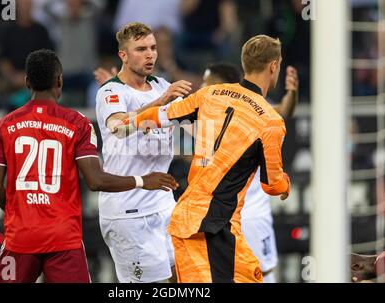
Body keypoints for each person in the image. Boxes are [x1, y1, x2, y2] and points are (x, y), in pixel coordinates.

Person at [0, 49, 178, 283]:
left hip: (20, 237)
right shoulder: (77, 123)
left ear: (27, 82)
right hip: (63, 239)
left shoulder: (3, 126)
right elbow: (96, 180)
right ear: (60, 81)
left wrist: (20, 213)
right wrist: (142, 180)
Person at [117, 35, 291, 282]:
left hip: (187, 219)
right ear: (274, 66)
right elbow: (272, 185)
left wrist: (124, 123)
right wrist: (285, 184)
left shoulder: (209, 94)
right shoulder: (271, 121)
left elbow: (163, 115)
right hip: (217, 225)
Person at [95, 22, 192, 283]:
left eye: (153, 48)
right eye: (140, 49)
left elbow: (195, 128)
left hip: (163, 204)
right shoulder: (111, 92)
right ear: (123, 55)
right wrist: (161, 103)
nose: (149, 55)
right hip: (128, 211)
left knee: (185, 278)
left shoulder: (164, 86)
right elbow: (118, 126)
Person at [201, 62, 299, 283]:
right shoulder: (205, 118)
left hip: (251, 215)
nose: (203, 89)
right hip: (220, 218)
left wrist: (292, 93)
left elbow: (285, 110)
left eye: (208, 84)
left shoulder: (253, 111)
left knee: (261, 274)